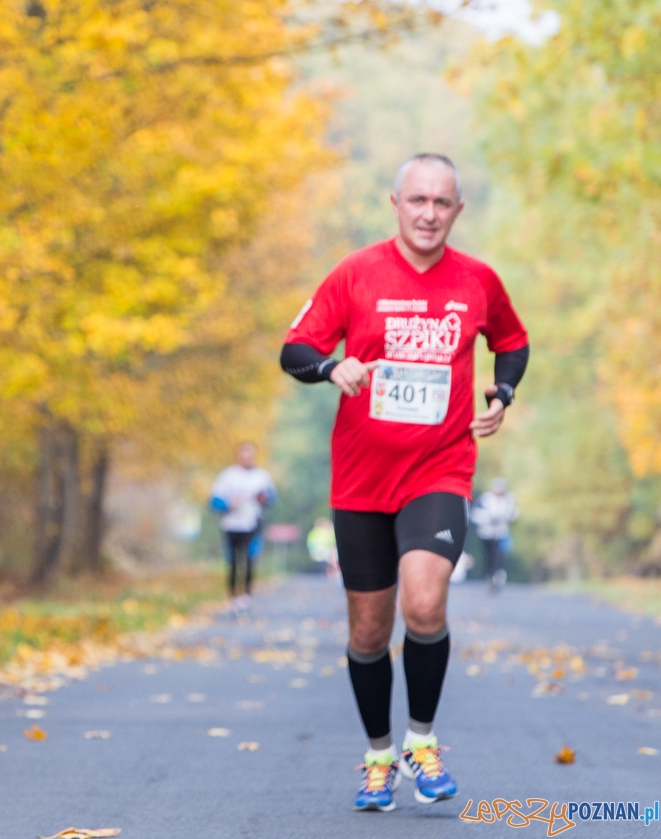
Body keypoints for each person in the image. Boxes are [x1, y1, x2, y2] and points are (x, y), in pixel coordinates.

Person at [280, 153, 529, 812]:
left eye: (441, 202)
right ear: (395, 203)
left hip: (439, 468)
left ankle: (422, 740)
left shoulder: (478, 280)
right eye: (416, 199)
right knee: (368, 630)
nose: (428, 213)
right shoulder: (356, 274)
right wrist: (332, 368)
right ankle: (379, 755)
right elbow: (294, 349)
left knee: (424, 604)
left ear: (457, 210)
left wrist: (502, 391)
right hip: (361, 479)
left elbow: (512, 339)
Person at [210, 442, 277, 611]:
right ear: (238, 456)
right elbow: (214, 501)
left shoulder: (261, 476)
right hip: (231, 524)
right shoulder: (227, 476)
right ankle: (233, 594)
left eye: (250, 455)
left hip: (252, 523)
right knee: (232, 561)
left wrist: (263, 498)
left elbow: (271, 497)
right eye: (244, 454)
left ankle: (247, 594)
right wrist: (228, 504)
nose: (247, 458)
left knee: (249, 558)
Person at [471, 477, 520, 592]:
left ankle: (497, 576)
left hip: (501, 533)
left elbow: (514, 513)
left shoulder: (509, 499)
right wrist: (488, 518)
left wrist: (506, 517)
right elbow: (475, 514)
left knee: (498, 555)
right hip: (486, 533)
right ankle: (489, 576)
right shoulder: (486, 499)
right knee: (488, 555)